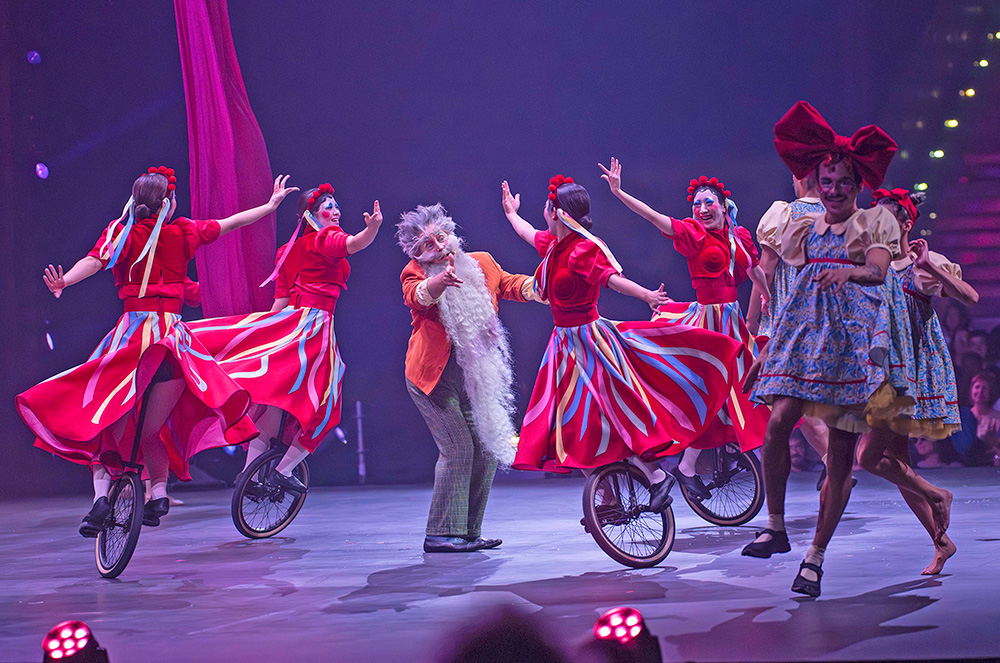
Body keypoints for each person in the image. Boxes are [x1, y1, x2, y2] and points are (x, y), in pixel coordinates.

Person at [16, 168, 296, 535]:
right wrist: (270, 205)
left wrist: (65, 281)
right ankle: (159, 494)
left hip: (133, 341)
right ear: (168, 203)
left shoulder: (123, 232)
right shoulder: (183, 232)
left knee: (104, 421)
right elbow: (231, 223)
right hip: (173, 344)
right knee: (151, 431)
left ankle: (100, 498)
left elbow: (95, 261)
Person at [745, 101, 905, 597]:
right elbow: (793, 291)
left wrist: (848, 272)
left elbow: (877, 270)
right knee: (777, 424)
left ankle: (815, 557)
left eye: (842, 183)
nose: (833, 189)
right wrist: (767, 351)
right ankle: (775, 526)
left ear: (857, 187)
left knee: (840, 456)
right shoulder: (804, 227)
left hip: (850, 344)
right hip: (805, 337)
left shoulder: (874, 223)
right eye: (826, 181)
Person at [503, 175, 742, 503]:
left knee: (612, 412)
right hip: (563, 348)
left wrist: (647, 296)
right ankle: (620, 494)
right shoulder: (552, 245)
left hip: (591, 343)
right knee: (572, 424)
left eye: (547, 207)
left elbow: (613, 281)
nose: (543, 213)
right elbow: (526, 233)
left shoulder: (584, 249)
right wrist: (511, 213)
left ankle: (655, 476)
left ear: (557, 212)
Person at [188, 184, 383, 493]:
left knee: (275, 403)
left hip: (291, 324)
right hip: (314, 328)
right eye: (329, 207)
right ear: (311, 215)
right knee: (328, 406)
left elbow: (279, 303)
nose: (336, 211)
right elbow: (354, 244)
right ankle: (284, 469)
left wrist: (263, 334)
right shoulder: (326, 238)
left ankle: (249, 475)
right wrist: (373, 229)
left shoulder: (287, 251)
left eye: (336, 205)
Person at [599, 159, 770, 498]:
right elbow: (653, 216)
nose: (702, 209)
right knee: (714, 392)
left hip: (732, 322)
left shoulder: (738, 237)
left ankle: (692, 463)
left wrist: (766, 294)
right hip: (708, 324)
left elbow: (754, 270)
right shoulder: (693, 235)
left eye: (708, 202)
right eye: (696, 204)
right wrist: (619, 193)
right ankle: (685, 463)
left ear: (723, 206)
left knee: (739, 390)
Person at [398, 202, 536, 553]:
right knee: (459, 448)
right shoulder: (414, 272)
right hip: (432, 379)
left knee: (486, 450)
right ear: (418, 253)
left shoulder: (481, 262)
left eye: (440, 238)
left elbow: (510, 284)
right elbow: (417, 296)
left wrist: (542, 286)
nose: (439, 247)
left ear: (451, 233)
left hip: (471, 376)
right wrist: (439, 282)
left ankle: (468, 531)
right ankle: (441, 534)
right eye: (428, 245)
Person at [855, 187, 979, 574]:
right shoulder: (872, 262)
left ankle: (937, 494)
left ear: (906, 223)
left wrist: (930, 266)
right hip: (880, 370)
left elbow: (970, 297)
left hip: (908, 373)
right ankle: (941, 542)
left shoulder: (920, 263)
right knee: (897, 462)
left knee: (868, 457)